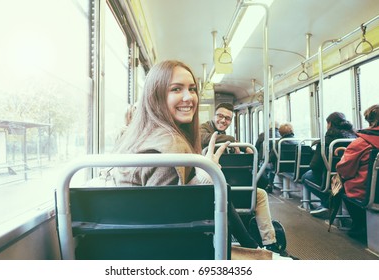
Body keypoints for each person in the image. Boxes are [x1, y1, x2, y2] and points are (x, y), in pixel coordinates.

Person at [108, 60, 292, 259]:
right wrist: (205, 178)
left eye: (192, 89)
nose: (189, 97)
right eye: (176, 89)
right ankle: (259, 247)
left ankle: (255, 246)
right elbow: (172, 228)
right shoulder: (169, 148)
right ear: (156, 95)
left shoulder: (139, 138)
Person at [200, 105, 284, 254]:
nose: (223, 120)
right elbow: (204, 139)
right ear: (214, 116)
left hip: (231, 187)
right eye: (220, 116)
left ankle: (269, 242)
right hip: (211, 188)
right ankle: (253, 245)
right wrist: (234, 141)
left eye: (227, 118)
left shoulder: (226, 140)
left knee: (261, 194)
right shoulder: (205, 129)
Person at [302, 112, 357, 218]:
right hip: (350, 176)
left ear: (330, 124)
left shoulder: (326, 141)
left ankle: (328, 202)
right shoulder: (354, 138)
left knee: (306, 176)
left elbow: (315, 166)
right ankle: (328, 203)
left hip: (332, 179)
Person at [336, 104, 379, 239]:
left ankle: (359, 225)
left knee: (341, 185)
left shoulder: (361, 143)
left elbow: (345, 170)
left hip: (367, 191)